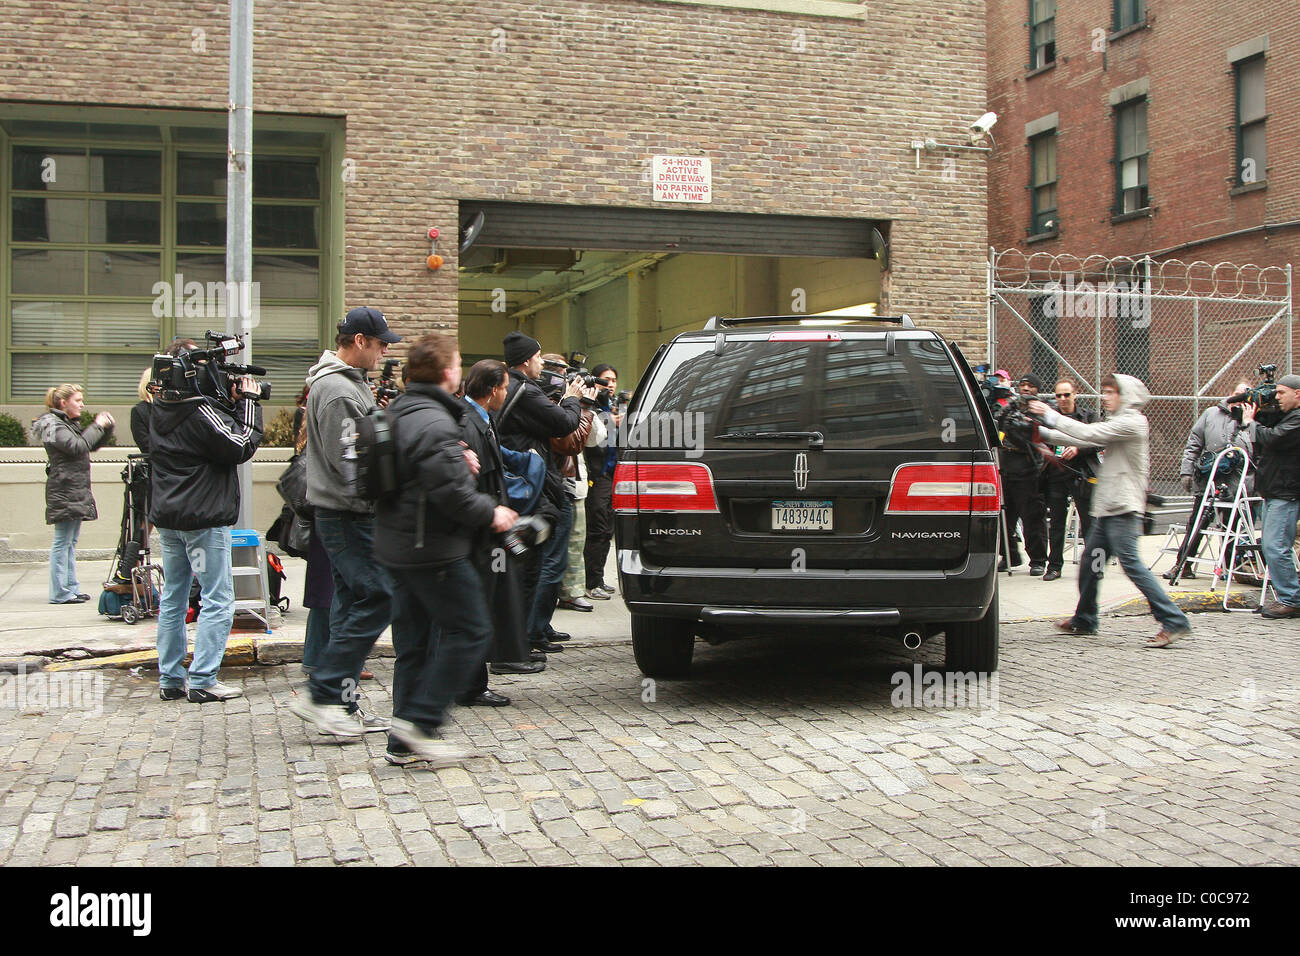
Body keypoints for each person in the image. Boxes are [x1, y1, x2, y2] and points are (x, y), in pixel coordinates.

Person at [370, 336, 517, 765]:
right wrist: (494, 513)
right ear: (448, 373)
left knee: (414, 645)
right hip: (432, 549)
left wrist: (457, 459)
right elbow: (450, 494)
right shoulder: (434, 422)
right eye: (456, 363)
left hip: (397, 547)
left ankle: (402, 741)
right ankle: (419, 724)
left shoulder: (399, 412)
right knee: (470, 631)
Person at [291, 306, 400, 736]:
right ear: (359, 342)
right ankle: (323, 693)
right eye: (380, 343)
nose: (385, 351)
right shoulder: (338, 391)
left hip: (347, 511)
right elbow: (348, 463)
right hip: (347, 513)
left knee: (353, 602)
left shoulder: (349, 386)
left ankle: (340, 703)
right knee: (381, 595)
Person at [1029, 374, 1193, 647]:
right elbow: (1081, 438)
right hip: (1108, 508)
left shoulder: (1133, 422)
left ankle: (1174, 620)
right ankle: (1085, 619)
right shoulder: (1118, 423)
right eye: (1104, 392)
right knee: (1091, 565)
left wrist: (1048, 414)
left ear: (1125, 395)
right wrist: (1038, 431)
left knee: (1131, 565)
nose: (1105, 396)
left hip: (1123, 509)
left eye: (1110, 392)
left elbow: (1088, 433)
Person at [148, 341, 263, 700]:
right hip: (202, 518)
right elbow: (239, 443)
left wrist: (227, 401)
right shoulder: (197, 411)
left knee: (173, 597)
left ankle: (170, 679)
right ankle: (202, 681)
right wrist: (249, 403)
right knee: (217, 598)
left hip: (170, 517)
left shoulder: (162, 407)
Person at [495, 332, 595, 662]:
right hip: (532, 491)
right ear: (526, 360)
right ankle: (517, 646)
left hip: (521, 489)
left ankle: (519, 643)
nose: (541, 364)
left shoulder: (512, 388)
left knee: (523, 569)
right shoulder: (525, 391)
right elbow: (565, 424)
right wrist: (572, 398)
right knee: (531, 569)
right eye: (539, 358)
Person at [460, 359, 541, 704]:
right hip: (479, 531)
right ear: (493, 390)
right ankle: (470, 685)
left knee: (488, 603)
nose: (507, 393)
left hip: (491, 528)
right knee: (477, 606)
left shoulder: (483, 420)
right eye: (505, 387)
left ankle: (474, 680)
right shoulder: (467, 425)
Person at [33, 384, 114, 604]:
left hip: (73, 489)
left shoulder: (65, 424)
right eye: (77, 400)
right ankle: (60, 592)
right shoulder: (52, 425)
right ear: (63, 403)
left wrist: (105, 429)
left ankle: (70, 587)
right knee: (62, 541)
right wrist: (96, 425)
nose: (81, 404)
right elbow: (77, 446)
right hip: (64, 489)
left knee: (70, 541)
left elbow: (89, 446)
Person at [1168, 382, 1254, 580]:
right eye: (1238, 394)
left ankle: (1231, 568)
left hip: (1236, 481)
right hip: (1208, 478)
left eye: (1246, 395)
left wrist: (1247, 422)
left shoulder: (1253, 419)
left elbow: (1252, 449)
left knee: (1232, 527)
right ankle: (1183, 565)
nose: (1241, 398)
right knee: (1198, 522)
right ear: (1230, 394)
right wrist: (1186, 472)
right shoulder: (1211, 414)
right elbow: (1194, 444)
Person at [1238, 375, 1300, 619]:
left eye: (1281, 393)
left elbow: (1272, 438)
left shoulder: (1297, 420)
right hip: (1275, 491)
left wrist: (1250, 422)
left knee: (1275, 546)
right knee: (1274, 545)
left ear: (1298, 394)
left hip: (1286, 493)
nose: (1277, 397)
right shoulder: (1288, 416)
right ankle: (1289, 596)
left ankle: (1291, 599)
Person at [1041, 378, 1099, 581]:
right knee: (1056, 522)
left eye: (1067, 394)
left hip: (1081, 474)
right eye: (1058, 395)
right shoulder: (1051, 418)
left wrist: (1077, 448)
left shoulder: (1088, 416)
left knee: (1089, 523)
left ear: (1075, 394)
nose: (1063, 399)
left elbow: (1099, 440)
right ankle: (1054, 567)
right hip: (1056, 474)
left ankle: (1094, 567)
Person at [997, 373, 1049, 573]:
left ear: (1037, 389)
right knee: (1004, 518)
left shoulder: (1042, 411)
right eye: (1023, 385)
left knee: (1032, 518)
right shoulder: (1011, 409)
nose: (1026, 389)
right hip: (1007, 468)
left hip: (1028, 471)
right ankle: (1010, 555)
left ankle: (1037, 560)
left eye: (1031, 386)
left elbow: (1036, 439)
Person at [584, 363, 621, 599]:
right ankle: (591, 581)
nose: (610, 384)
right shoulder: (590, 406)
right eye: (605, 380)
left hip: (613, 474)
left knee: (607, 529)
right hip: (596, 476)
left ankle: (599, 578)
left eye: (614, 380)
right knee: (597, 529)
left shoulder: (612, 407)